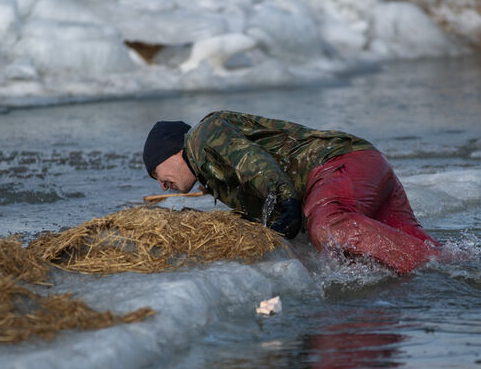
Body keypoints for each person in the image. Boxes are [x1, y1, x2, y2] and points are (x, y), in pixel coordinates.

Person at [142, 110, 442, 274]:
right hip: (362, 167)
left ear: (173, 151)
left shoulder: (202, 137)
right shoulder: (215, 174)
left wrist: (284, 199)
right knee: (427, 250)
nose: (161, 185)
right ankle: (468, 265)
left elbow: (254, 163)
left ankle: (431, 268)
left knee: (328, 228)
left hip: (338, 166)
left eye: (157, 172)